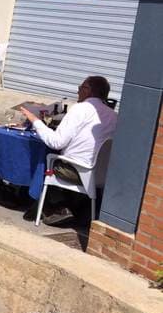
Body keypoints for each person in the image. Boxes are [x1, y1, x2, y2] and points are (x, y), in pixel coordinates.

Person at [19, 76, 118, 224]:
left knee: (45, 158)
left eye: (80, 88)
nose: (78, 92)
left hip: (76, 172)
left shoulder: (81, 108)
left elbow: (56, 142)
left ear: (87, 90)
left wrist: (35, 121)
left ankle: (47, 206)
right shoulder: (114, 116)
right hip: (102, 175)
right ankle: (69, 205)